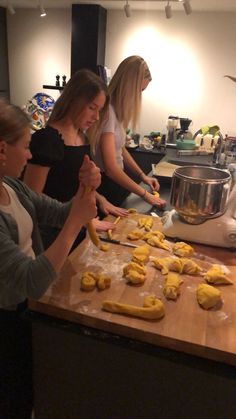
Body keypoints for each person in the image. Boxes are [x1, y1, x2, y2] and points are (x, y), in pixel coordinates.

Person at [0, 99, 101, 418]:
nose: (30, 155)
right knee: (13, 398)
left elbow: (58, 212)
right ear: (2, 150)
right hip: (7, 321)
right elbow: (30, 280)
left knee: (33, 391)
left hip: (24, 311)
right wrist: (76, 223)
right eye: (26, 146)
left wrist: (86, 187)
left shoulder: (11, 187)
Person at [23, 69, 128, 250]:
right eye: (91, 108)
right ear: (73, 101)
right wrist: (79, 221)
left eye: (99, 110)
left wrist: (100, 199)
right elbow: (31, 199)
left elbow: (72, 183)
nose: (96, 117)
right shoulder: (47, 139)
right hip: (51, 235)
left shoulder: (82, 137)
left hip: (74, 227)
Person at [89, 55, 166, 208]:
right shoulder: (108, 112)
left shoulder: (116, 112)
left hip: (114, 182)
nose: (139, 96)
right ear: (129, 86)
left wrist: (142, 176)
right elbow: (111, 169)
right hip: (106, 184)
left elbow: (120, 148)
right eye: (139, 90)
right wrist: (145, 195)